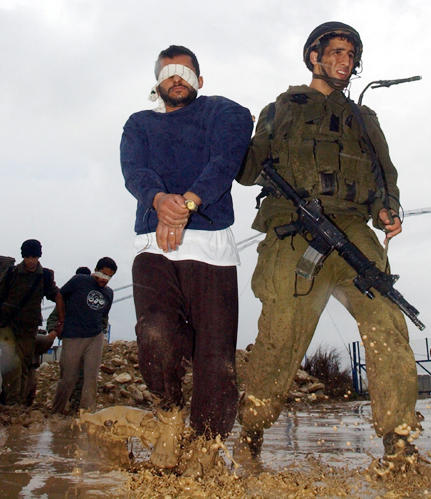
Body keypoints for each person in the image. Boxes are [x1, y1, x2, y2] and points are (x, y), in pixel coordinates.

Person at [235, 22, 419, 464]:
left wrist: (386, 209)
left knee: (387, 322)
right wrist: (232, 130)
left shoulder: (364, 119)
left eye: (351, 55)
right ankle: (252, 431)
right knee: (283, 334)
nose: (345, 61)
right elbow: (245, 172)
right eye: (336, 51)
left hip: (354, 232)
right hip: (294, 229)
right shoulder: (281, 108)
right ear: (313, 56)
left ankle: (399, 442)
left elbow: (384, 177)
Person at [120, 45, 253, 471]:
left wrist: (189, 203)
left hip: (213, 251)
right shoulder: (138, 124)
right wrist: (159, 200)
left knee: (216, 359)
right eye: (168, 71)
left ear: (200, 79)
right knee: (155, 332)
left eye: (186, 71)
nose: (177, 77)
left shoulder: (223, 111)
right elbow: (134, 171)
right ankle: (170, 413)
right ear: (157, 82)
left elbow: (226, 157)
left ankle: (206, 447)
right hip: (152, 247)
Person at [0, 239, 64, 405]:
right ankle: (11, 405)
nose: (31, 260)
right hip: (7, 325)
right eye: (28, 257)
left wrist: (61, 322)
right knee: (11, 366)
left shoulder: (45, 276)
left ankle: (20, 404)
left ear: (39, 256)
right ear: (23, 256)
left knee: (25, 366)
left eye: (34, 257)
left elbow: (57, 296)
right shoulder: (11, 273)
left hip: (28, 329)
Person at [52, 257, 116, 414]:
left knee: (91, 378)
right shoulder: (80, 281)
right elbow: (60, 295)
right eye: (103, 274)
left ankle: (86, 414)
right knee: (68, 377)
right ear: (96, 270)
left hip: (95, 337)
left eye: (109, 277)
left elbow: (103, 315)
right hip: (73, 335)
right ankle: (57, 412)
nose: (104, 279)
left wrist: (101, 329)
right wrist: (61, 320)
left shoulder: (108, 293)